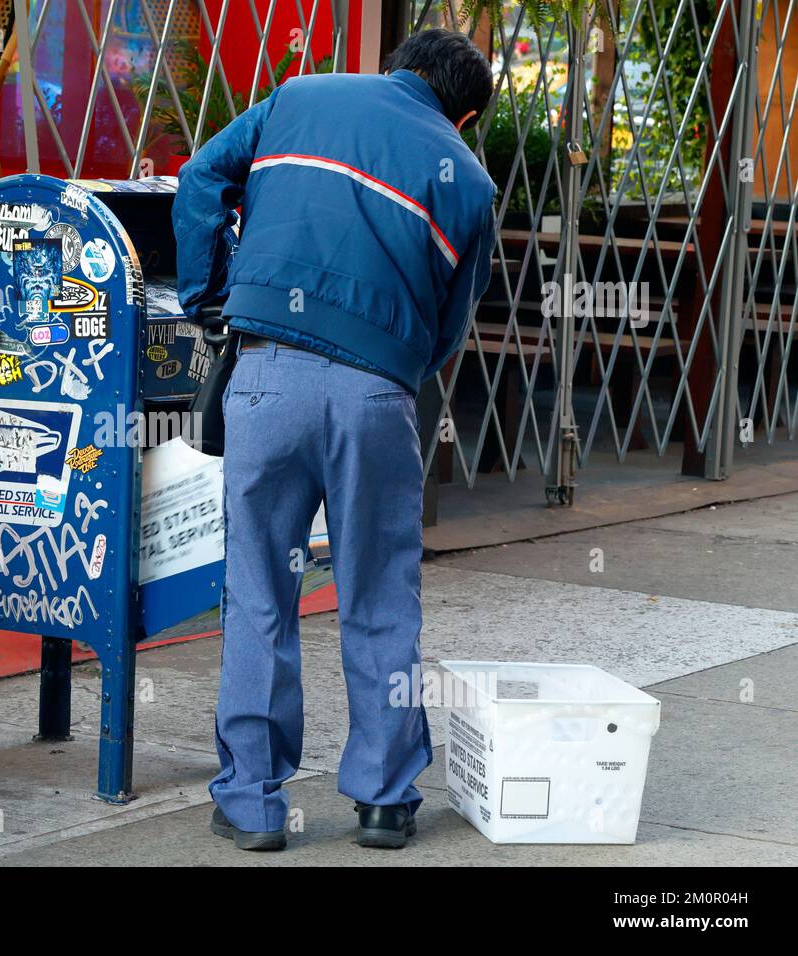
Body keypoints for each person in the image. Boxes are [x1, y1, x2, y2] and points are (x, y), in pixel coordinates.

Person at [172, 28, 497, 851]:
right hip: (375, 395)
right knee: (380, 595)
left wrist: (212, 298)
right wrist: (388, 370)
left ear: (395, 68)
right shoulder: (469, 180)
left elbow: (200, 177)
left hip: (266, 376)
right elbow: (451, 326)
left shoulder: (297, 98)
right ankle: (385, 800)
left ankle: (251, 803)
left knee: (257, 591)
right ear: (462, 113)